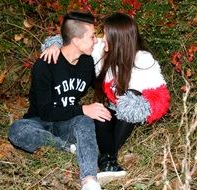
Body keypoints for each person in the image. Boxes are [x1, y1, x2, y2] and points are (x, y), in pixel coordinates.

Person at [40, 12, 170, 182]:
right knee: (100, 113)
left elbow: (160, 98)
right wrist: (55, 45)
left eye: (106, 34)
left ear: (118, 39)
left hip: (134, 117)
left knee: (133, 100)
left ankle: (106, 156)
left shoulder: (142, 60)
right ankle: (109, 163)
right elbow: (75, 39)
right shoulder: (101, 50)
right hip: (113, 111)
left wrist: (141, 107)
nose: (102, 38)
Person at [8, 11, 112, 190]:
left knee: (84, 121)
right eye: (92, 36)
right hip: (40, 123)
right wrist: (82, 109)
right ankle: (67, 148)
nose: (96, 40)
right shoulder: (45, 65)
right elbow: (46, 111)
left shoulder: (87, 63)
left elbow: (103, 89)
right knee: (17, 130)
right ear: (76, 40)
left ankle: (89, 180)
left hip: (66, 124)